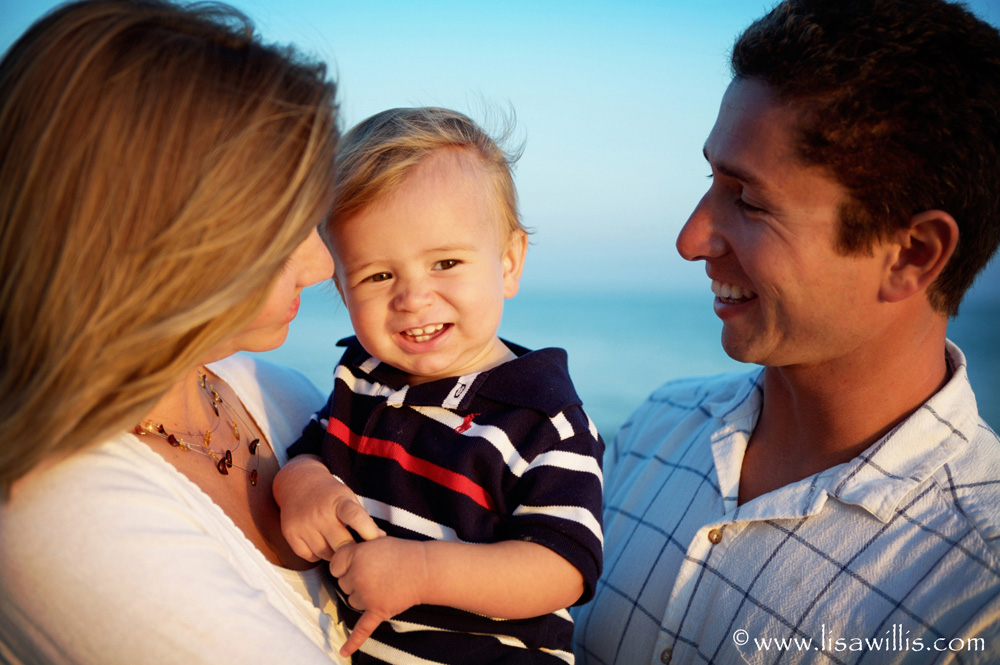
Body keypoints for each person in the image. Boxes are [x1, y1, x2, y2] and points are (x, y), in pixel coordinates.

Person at [572, 0, 1000, 663]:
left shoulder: (978, 600)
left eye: (747, 200)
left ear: (912, 254)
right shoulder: (656, 429)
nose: (690, 240)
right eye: (709, 179)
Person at [0, 1, 382, 662]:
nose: (323, 265)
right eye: (284, 227)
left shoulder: (279, 392)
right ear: (155, 233)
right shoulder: (58, 510)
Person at [273, 107, 605, 664]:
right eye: (378, 275)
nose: (412, 297)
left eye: (445, 262)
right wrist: (302, 487)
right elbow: (311, 451)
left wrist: (421, 573)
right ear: (340, 285)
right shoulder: (364, 379)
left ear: (508, 261)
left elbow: (562, 566)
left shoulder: (544, 419)